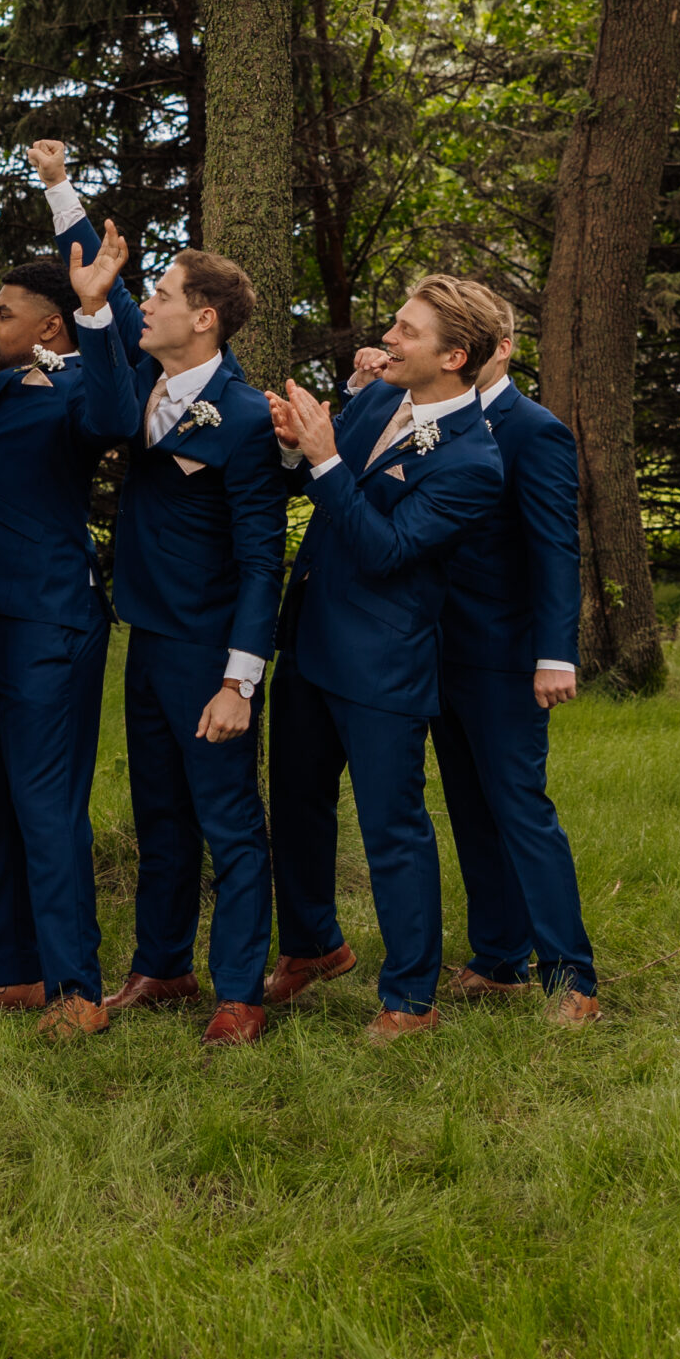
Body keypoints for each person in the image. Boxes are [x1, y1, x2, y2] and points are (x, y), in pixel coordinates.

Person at [33, 144, 286, 1048]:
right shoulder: (145, 374)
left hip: (210, 650)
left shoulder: (249, 419)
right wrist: (59, 188)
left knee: (230, 822)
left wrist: (239, 680)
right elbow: (103, 286)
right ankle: (162, 965)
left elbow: (265, 560)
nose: (153, 305)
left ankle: (240, 992)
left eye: (169, 296)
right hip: (144, 635)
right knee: (161, 816)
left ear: (206, 320)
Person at [264, 275, 507, 1040]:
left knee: (392, 828)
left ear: (454, 356)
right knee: (296, 807)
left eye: (406, 331)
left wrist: (328, 462)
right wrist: (295, 447)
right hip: (307, 640)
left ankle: (410, 998)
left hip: (381, 663)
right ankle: (312, 947)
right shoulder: (376, 400)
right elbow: (319, 483)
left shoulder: (474, 462)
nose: (388, 339)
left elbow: (387, 549)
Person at [0, 233, 126, 1034]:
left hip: (47, 625)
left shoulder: (83, 389)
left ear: (49, 328)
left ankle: (79, 993)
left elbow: (114, 413)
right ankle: (15, 974)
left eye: (3, 315)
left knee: (48, 811)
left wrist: (96, 307)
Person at [421, 299, 600, 1025]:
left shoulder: (536, 430)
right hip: (438, 647)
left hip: (504, 655)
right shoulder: (428, 416)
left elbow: (557, 548)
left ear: (500, 348)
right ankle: (498, 960)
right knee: (469, 807)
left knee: (521, 811)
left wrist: (556, 654)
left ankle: (573, 979)